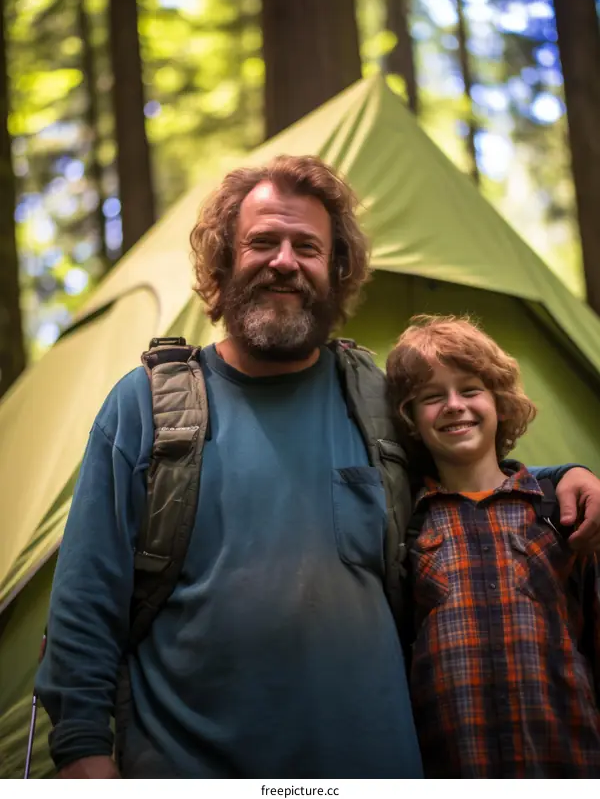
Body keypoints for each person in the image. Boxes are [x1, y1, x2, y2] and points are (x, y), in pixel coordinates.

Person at [36, 156, 600, 779]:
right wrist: (84, 753)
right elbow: (87, 600)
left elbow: (472, 480)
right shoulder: (146, 406)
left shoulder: (378, 402)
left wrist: (559, 480)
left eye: (307, 246)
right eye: (262, 242)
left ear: (336, 270)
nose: (284, 261)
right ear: (223, 261)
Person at [386, 314, 600, 777]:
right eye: (431, 396)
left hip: (568, 761)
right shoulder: (410, 526)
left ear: (499, 402)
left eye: (469, 389)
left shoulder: (558, 512)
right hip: (455, 765)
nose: (453, 405)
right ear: (410, 420)